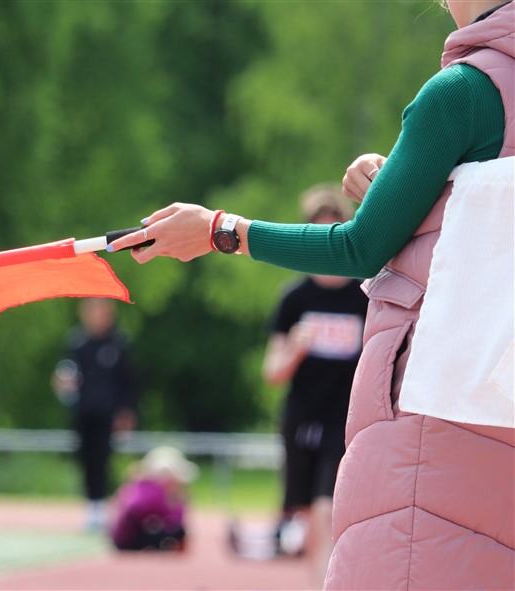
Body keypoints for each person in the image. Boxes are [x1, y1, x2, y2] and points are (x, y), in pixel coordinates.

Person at [108, 2, 513, 588]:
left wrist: (220, 230)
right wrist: (406, 183)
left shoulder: (463, 92)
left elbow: (357, 249)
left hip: (443, 414)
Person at [261, 185, 367, 586]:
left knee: (328, 511)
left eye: (332, 233)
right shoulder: (294, 299)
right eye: (317, 234)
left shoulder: (365, 294)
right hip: (301, 418)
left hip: (346, 420)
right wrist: (295, 349)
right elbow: (272, 372)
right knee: (308, 517)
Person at [52, 298, 139, 531]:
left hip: (108, 413)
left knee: (103, 458)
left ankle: (103, 506)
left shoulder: (119, 343)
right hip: (84, 411)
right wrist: (62, 384)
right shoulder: (76, 343)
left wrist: (127, 411)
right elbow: (67, 374)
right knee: (85, 458)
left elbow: (129, 381)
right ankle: (92, 506)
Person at [109, 445, 198, 552]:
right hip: (128, 540)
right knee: (177, 532)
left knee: (174, 531)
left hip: (127, 536)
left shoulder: (143, 487)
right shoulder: (150, 491)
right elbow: (135, 511)